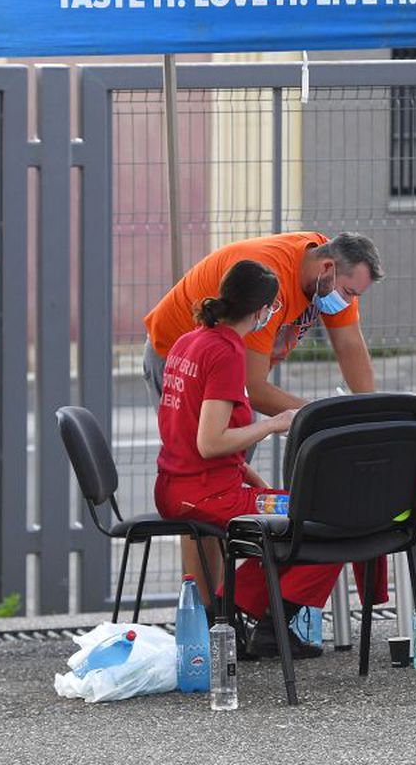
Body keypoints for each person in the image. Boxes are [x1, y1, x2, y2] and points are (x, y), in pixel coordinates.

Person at [144, 231, 384, 597]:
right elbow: (245, 399)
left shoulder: (329, 273)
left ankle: (228, 610)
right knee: (298, 513)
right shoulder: (257, 303)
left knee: (231, 487)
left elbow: (350, 345)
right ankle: (213, 612)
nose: (348, 301)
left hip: (189, 463)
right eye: (349, 293)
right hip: (181, 360)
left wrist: (371, 417)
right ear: (328, 268)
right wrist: (316, 419)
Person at [155, 259, 344, 658]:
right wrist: (276, 423)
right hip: (207, 494)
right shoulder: (226, 353)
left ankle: (238, 611)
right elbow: (209, 442)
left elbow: (188, 432)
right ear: (262, 311)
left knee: (297, 512)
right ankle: (265, 620)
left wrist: (248, 474)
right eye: (274, 309)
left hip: (181, 485)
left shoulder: (191, 339)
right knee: (329, 518)